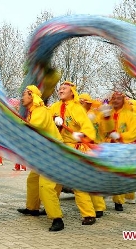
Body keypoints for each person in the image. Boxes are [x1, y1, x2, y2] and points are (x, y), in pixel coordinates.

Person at [50, 81, 105, 225]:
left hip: (74, 149)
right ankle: (51, 208)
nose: (61, 90)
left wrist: (80, 135)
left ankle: (88, 214)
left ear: (72, 92)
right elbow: (45, 122)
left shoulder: (77, 108)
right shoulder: (54, 107)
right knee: (54, 182)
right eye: (60, 88)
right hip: (59, 148)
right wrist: (52, 119)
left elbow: (88, 128)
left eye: (64, 89)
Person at [16, 85, 65, 231]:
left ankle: (57, 219)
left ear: (31, 96)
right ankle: (33, 208)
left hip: (53, 153)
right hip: (45, 154)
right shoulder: (33, 111)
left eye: (24, 94)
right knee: (32, 179)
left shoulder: (40, 111)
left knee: (46, 185)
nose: (22, 97)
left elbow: (33, 128)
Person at [98, 92, 136, 211]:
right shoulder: (106, 112)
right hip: (107, 147)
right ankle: (99, 205)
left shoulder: (129, 115)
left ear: (123, 100)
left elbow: (133, 132)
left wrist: (120, 136)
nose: (115, 100)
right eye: (113, 98)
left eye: (119, 98)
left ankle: (118, 201)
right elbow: (101, 130)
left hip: (122, 148)